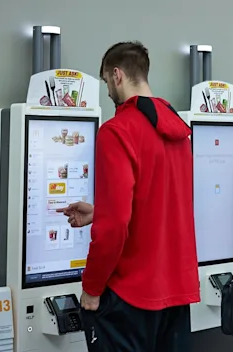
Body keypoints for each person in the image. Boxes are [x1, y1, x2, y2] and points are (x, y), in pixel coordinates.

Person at [61, 41, 199, 352]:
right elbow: (160, 202)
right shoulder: (179, 132)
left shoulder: (117, 131)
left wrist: (92, 288)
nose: (108, 91)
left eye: (106, 82)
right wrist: (100, 211)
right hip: (177, 291)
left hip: (130, 295)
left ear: (117, 75)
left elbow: (115, 226)